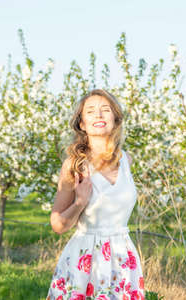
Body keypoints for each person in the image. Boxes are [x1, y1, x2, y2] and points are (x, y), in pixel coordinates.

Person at [46, 89, 145, 300]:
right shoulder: (74, 165)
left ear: (115, 119)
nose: (99, 115)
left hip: (123, 258)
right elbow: (57, 224)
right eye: (91, 111)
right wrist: (80, 202)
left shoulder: (126, 161)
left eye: (105, 110)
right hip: (85, 259)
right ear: (82, 123)